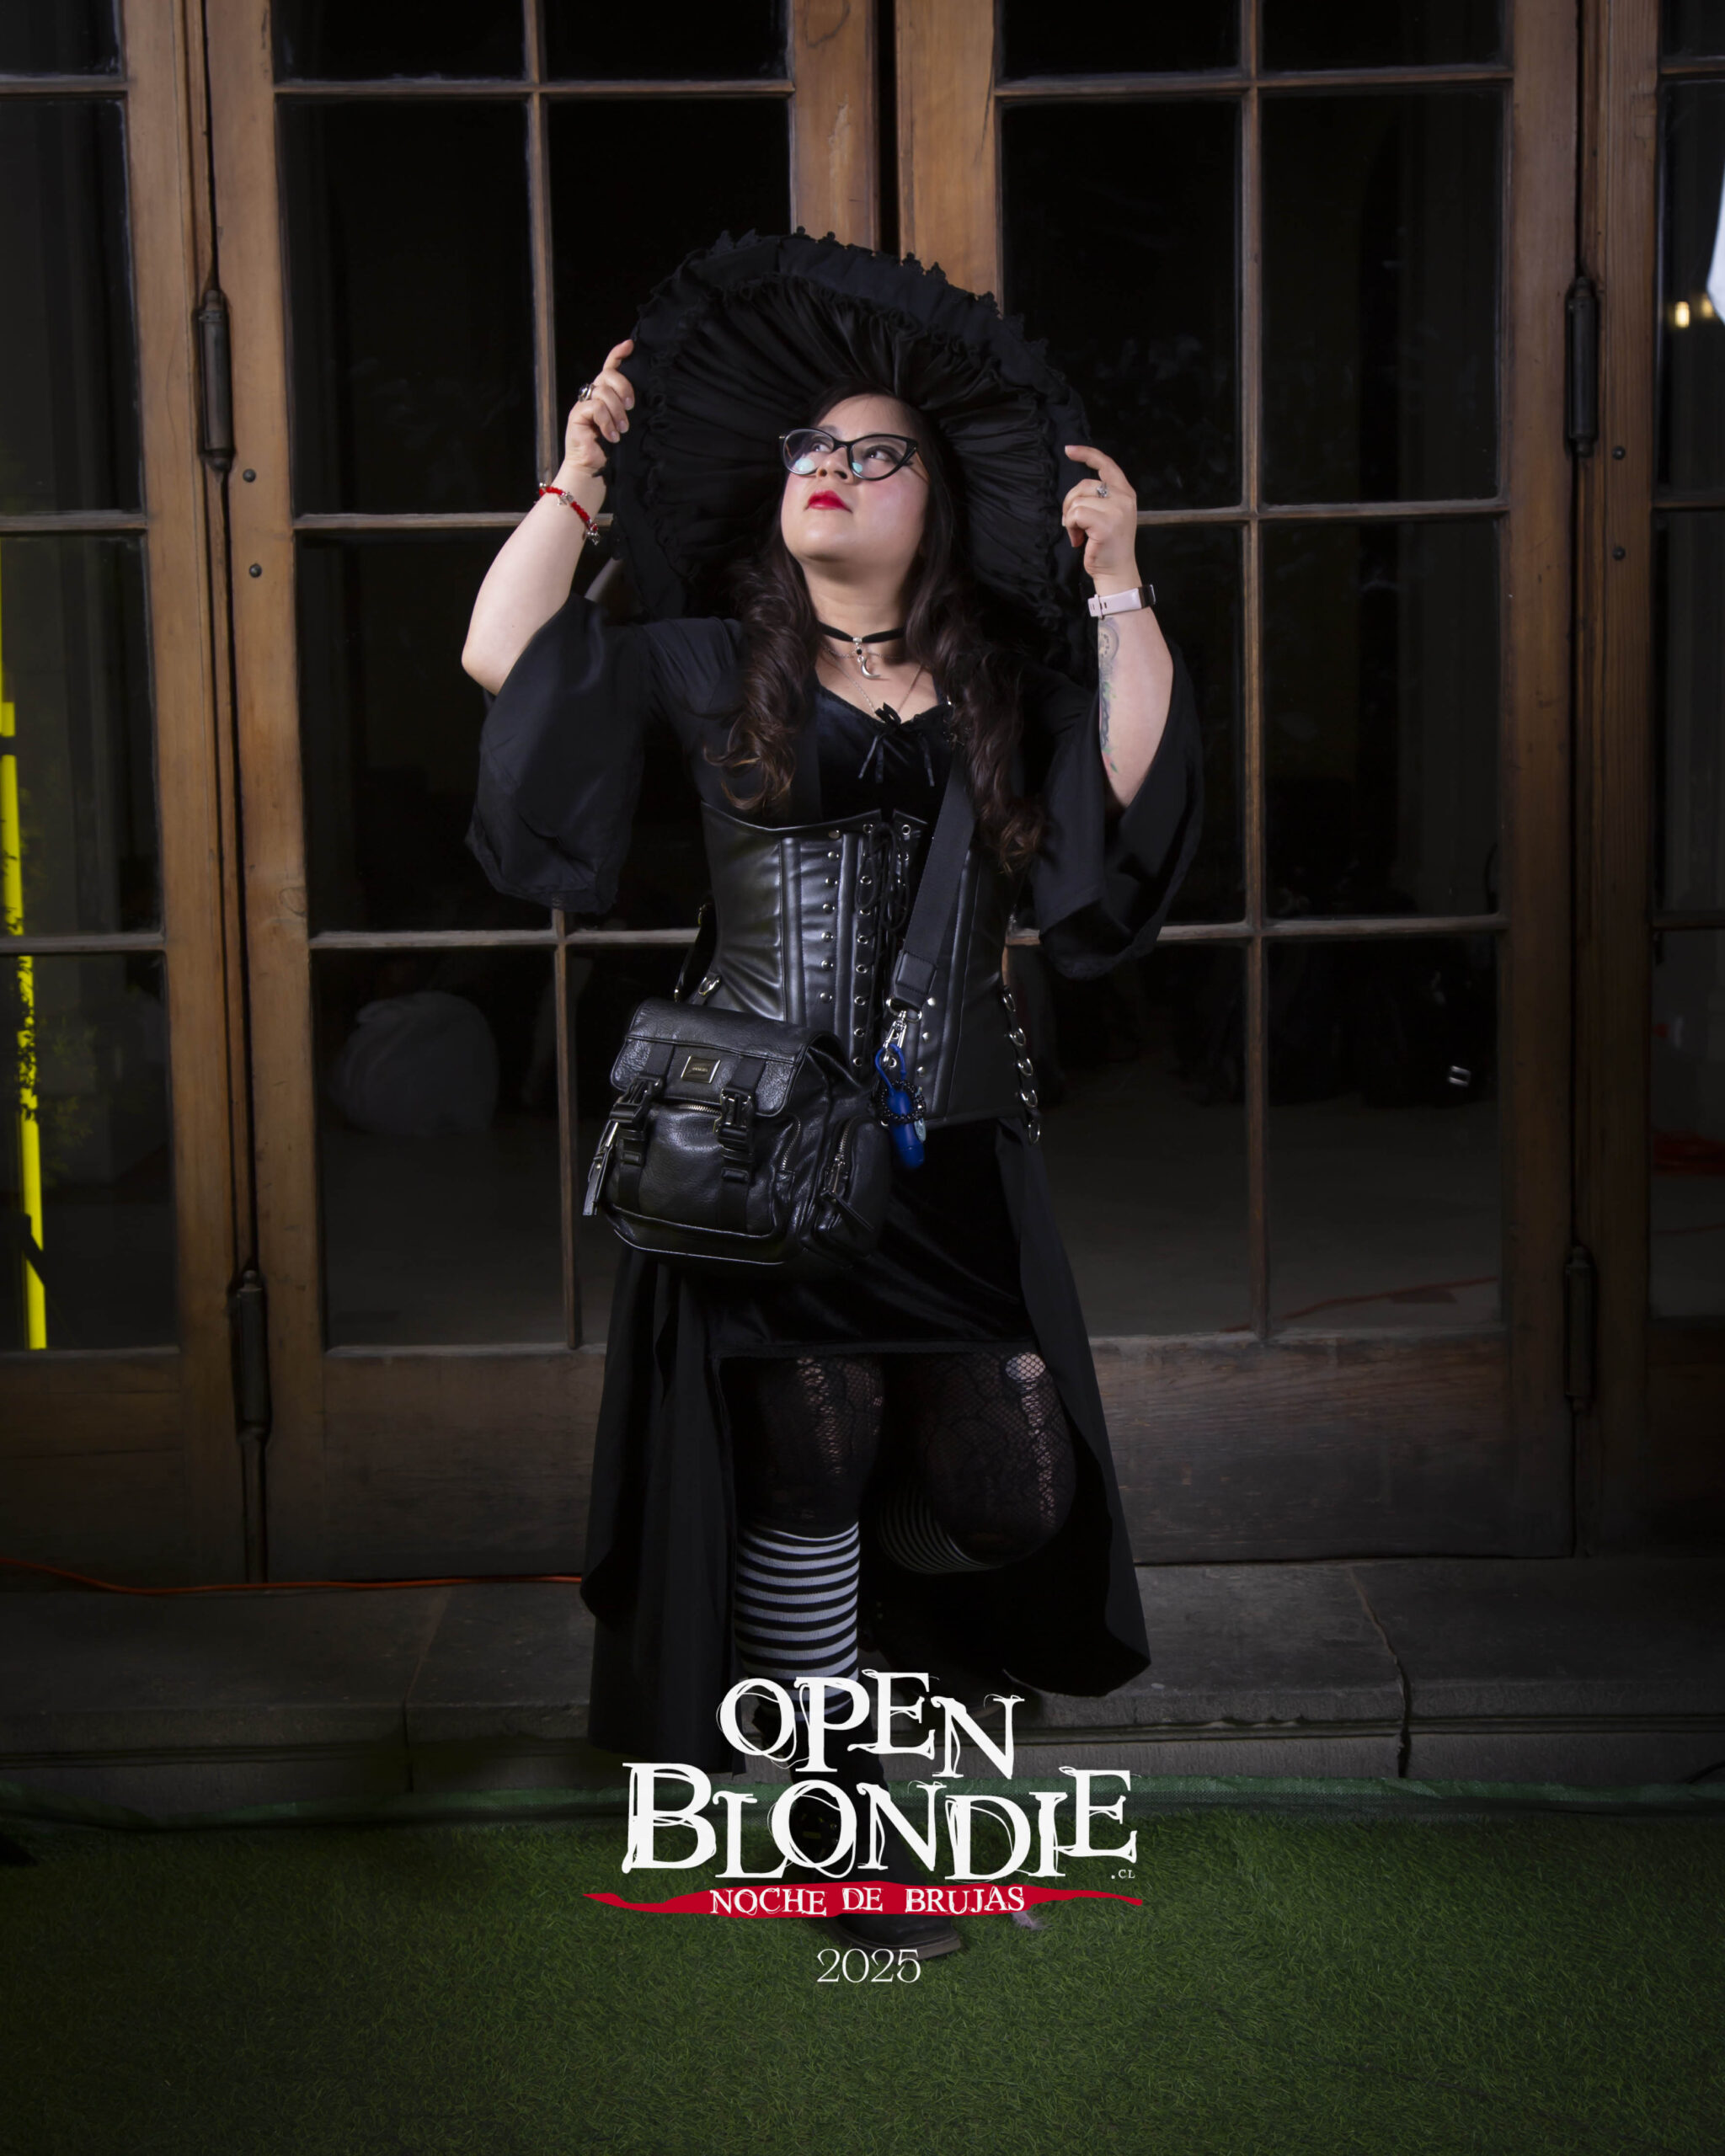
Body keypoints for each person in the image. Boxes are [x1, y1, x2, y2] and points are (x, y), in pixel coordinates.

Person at [462, 235, 1201, 1960]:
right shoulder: (708, 659)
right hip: (756, 1154)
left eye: (875, 454)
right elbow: (506, 657)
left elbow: (1127, 776)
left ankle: (851, 1656)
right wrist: (576, 482)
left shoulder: (995, 682)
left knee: (1007, 1480)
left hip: (953, 1151)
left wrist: (1119, 579)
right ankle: (834, 1804)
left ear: (936, 501)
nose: (832, 470)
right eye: (812, 449)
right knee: (808, 1443)